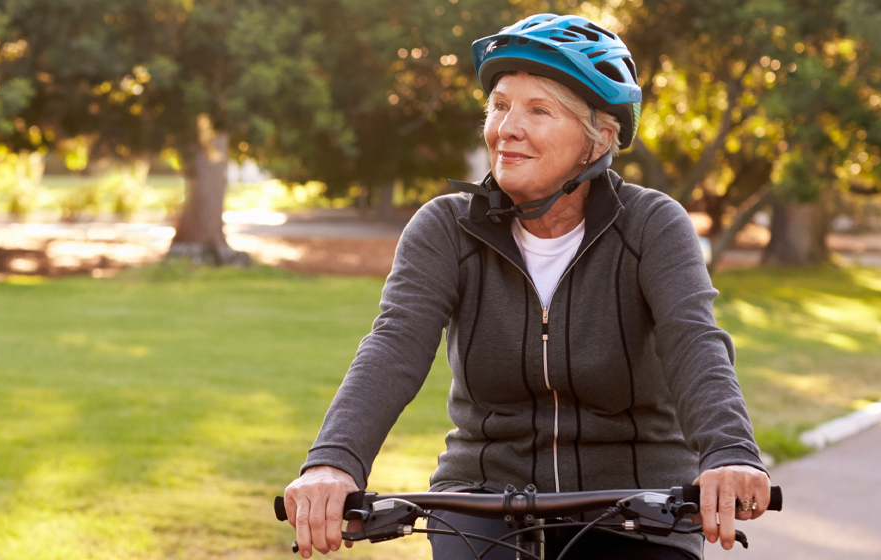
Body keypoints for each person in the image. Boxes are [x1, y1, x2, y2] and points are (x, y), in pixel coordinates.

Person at [281, 14, 771, 560]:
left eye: (538, 110)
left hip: (636, 498)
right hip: (485, 497)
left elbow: (693, 340)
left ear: (599, 139)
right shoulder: (446, 228)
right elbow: (394, 345)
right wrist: (333, 462)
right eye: (499, 105)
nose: (506, 128)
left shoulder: (651, 225)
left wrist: (729, 453)